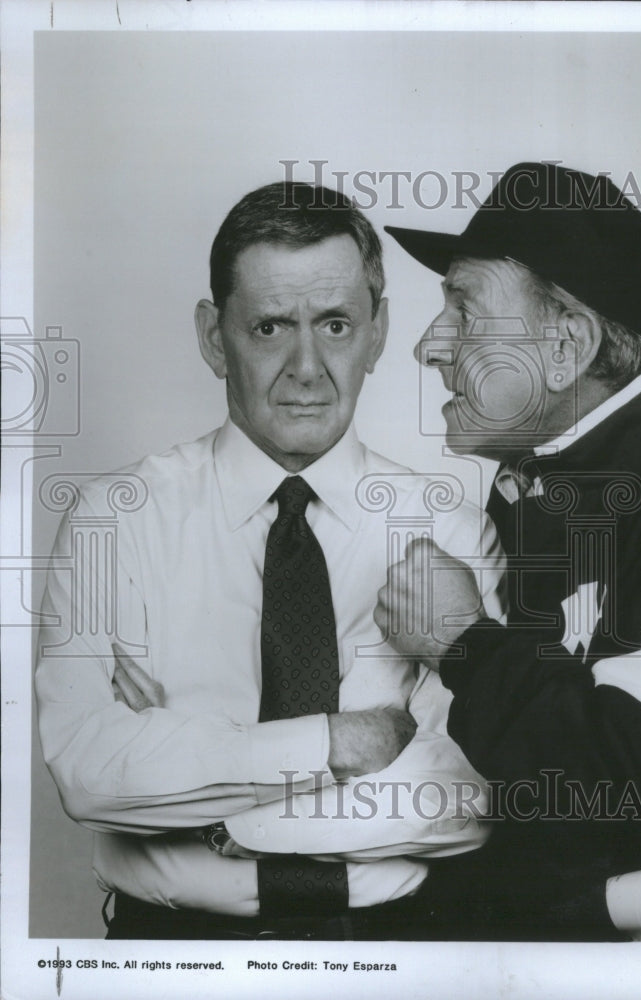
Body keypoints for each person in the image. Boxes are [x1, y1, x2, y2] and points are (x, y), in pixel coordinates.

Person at [35, 182, 504, 940]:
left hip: (392, 953)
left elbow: (467, 793)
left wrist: (234, 811)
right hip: (172, 959)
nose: (307, 367)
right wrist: (338, 743)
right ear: (214, 336)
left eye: (336, 324)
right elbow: (88, 770)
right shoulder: (114, 522)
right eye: (269, 327)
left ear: (378, 331)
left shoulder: (449, 530)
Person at [375, 162, 641, 942]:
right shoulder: (540, 481)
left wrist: (460, 643)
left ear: (567, 344)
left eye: (463, 309)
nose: (426, 347)